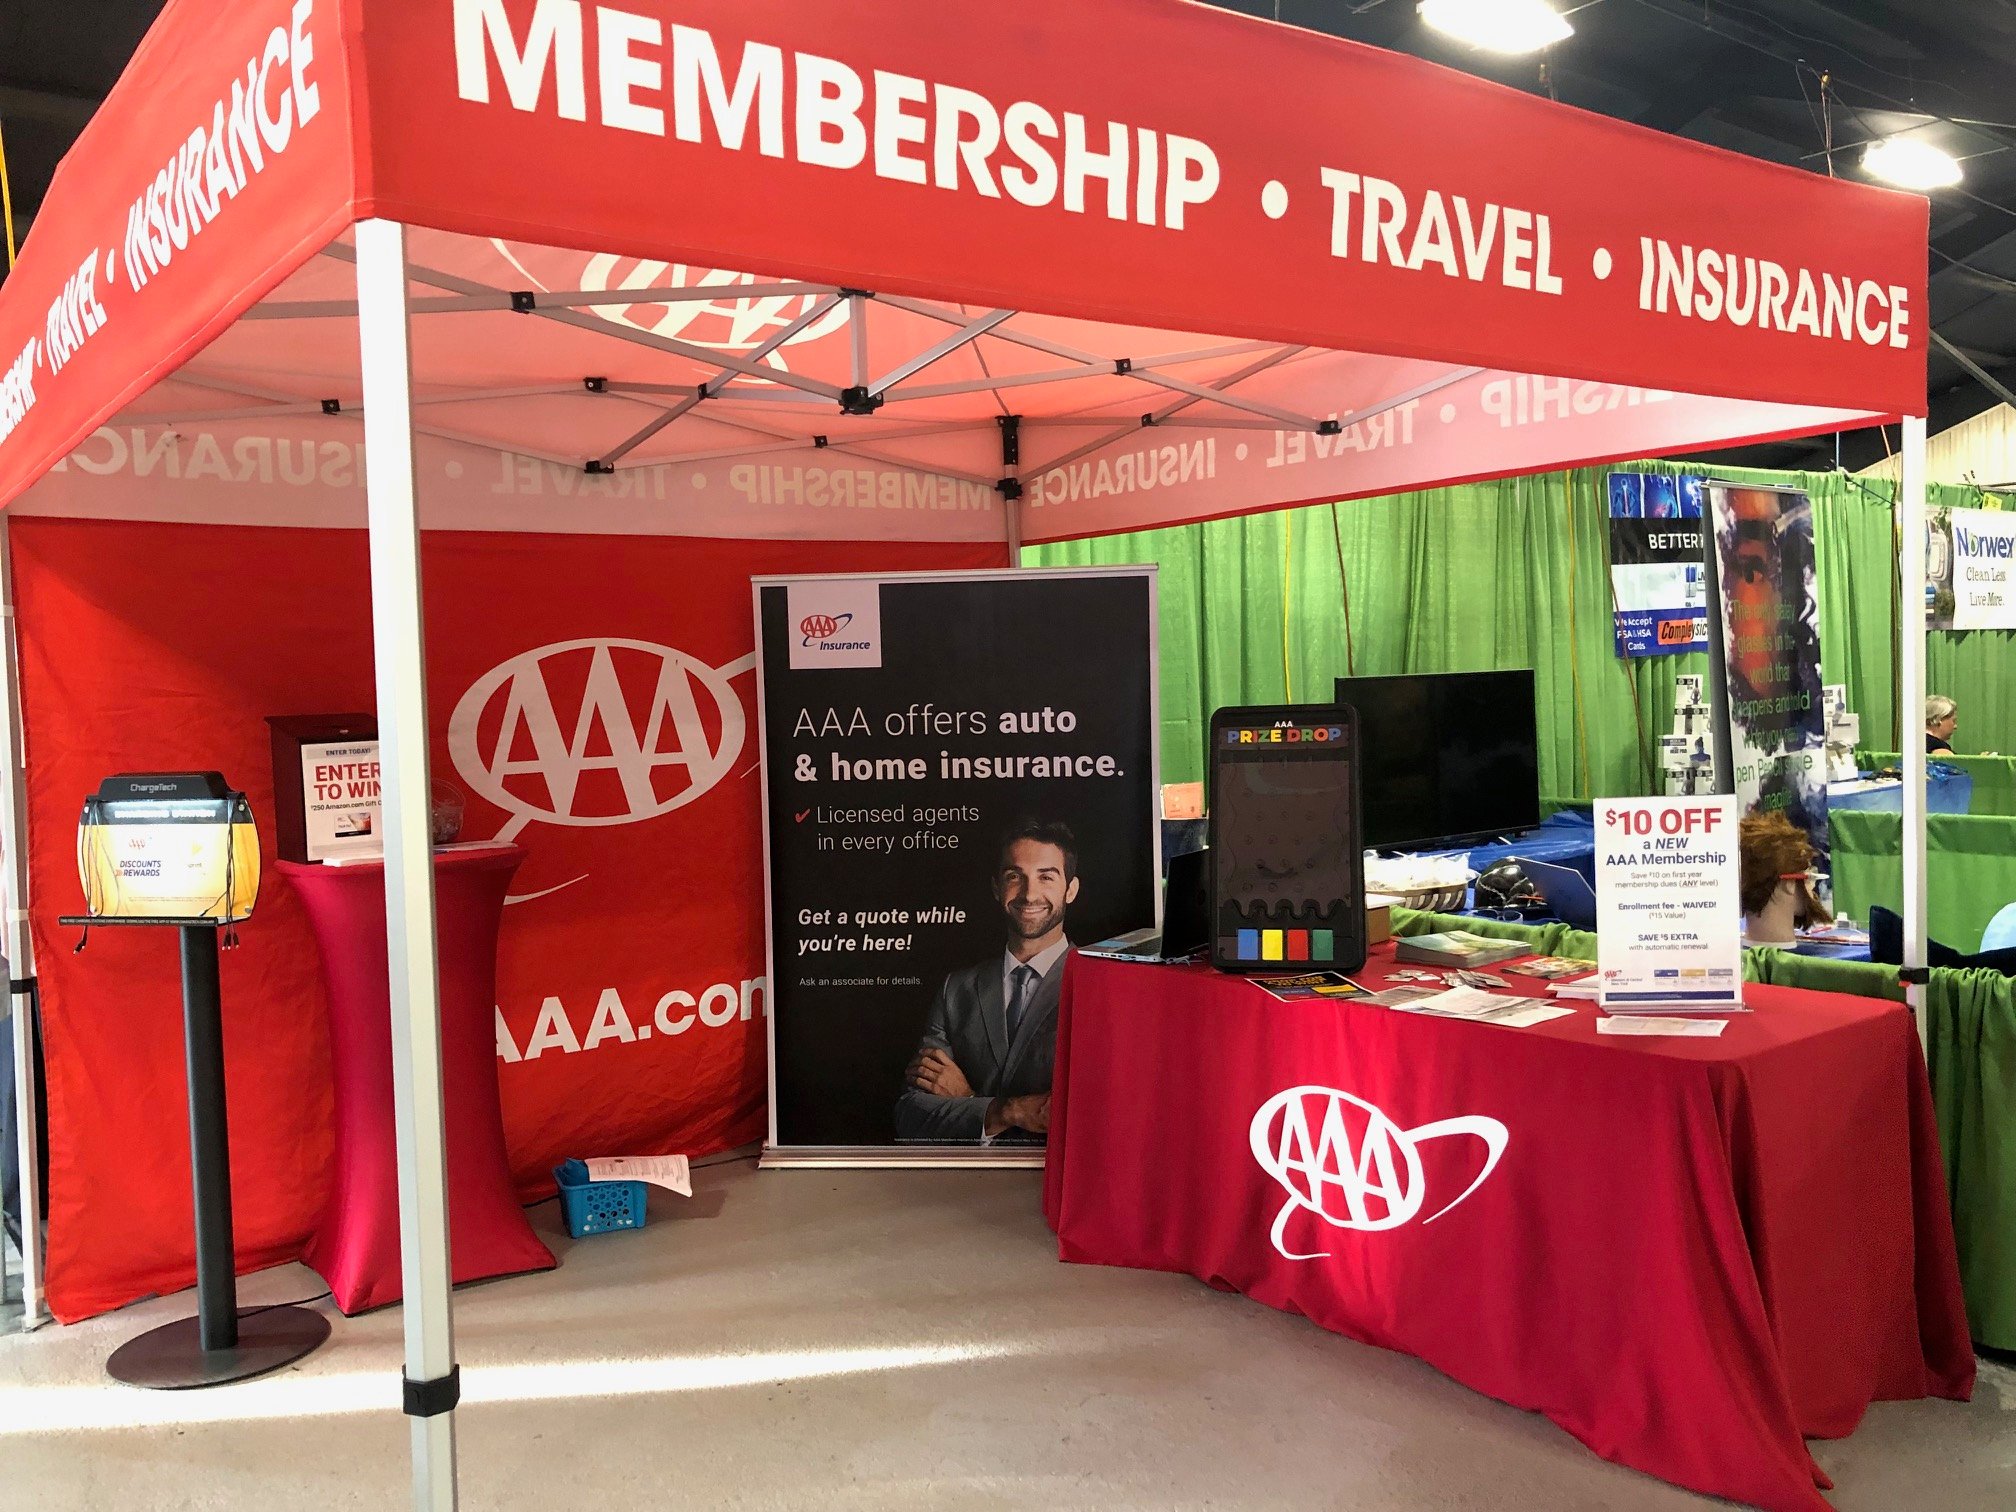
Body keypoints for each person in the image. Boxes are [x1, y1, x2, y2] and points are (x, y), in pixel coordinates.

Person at [895, 820, 1078, 1143]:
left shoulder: (1102, 985)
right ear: (996, 888)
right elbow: (912, 1115)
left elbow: (1093, 1121)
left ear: (1071, 889)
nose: (1029, 893)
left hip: (1059, 1189)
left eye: (1046, 877)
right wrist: (1008, 1111)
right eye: (1014, 876)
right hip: (965, 1189)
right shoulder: (958, 989)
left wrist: (967, 1101)